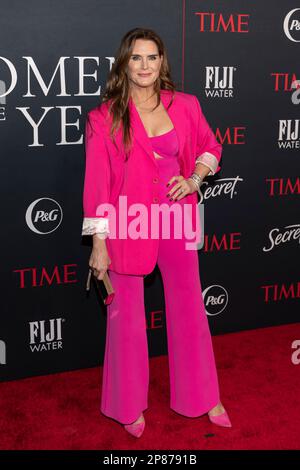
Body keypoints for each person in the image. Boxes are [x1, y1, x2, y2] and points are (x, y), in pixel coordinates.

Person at [82, 27, 231, 438]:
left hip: (176, 220)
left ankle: (203, 396)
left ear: (162, 61)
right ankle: (127, 406)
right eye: (136, 58)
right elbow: (97, 184)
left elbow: (210, 147)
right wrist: (99, 243)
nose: (145, 66)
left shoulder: (185, 105)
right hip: (129, 223)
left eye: (152, 58)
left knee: (189, 310)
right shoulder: (104, 117)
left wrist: (195, 179)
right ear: (124, 64)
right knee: (125, 318)